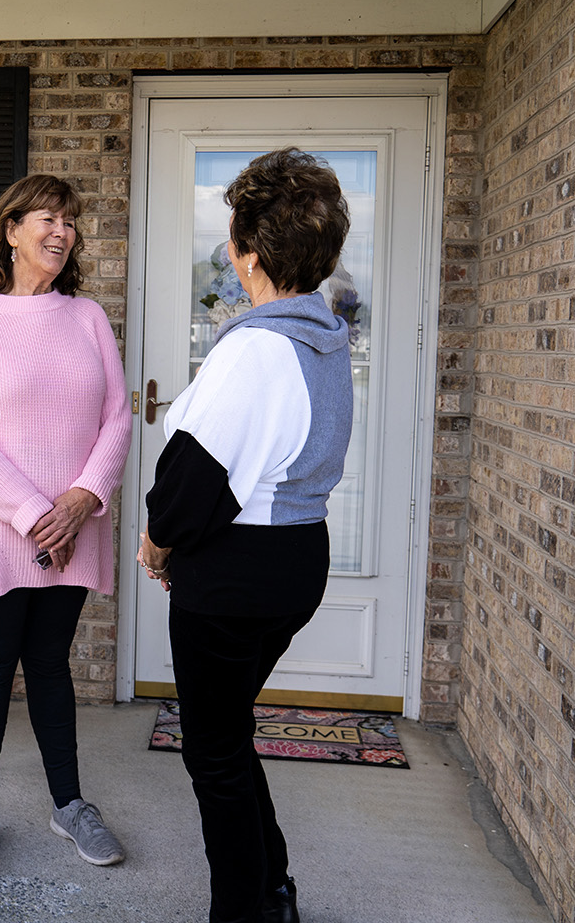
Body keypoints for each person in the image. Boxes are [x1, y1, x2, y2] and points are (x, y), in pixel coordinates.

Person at [138, 148, 353, 923]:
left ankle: (246, 909)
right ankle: (273, 888)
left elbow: (192, 487)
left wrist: (161, 542)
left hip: (238, 574)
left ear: (247, 254)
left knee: (214, 749)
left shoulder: (257, 346)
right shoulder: (324, 338)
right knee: (227, 734)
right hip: (295, 560)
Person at [0, 173, 133, 883]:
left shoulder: (86, 319)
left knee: (50, 667)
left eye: (70, 221)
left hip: (74, 527)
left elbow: (118, 416)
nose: (62, 231)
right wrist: (34, 517)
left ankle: (69, 804)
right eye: (48, 217)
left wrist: (82, 500)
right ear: (11, 229)